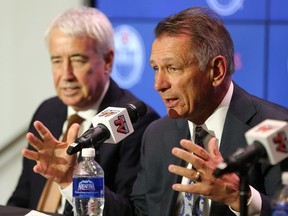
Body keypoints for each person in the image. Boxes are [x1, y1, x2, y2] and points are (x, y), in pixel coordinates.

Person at [20, 6, 288, 216]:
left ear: (215, 71)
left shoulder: (277, 127)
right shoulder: (158, 133)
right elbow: (136, 213)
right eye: (155, 68)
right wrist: (71, 180)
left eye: (173, 68)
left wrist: (239, 196)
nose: (158, 84)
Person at [6, 6, 159, 215]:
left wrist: (72, 181)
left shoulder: (135, 122)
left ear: (107, 61)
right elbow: (22, 198)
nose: (66, 74)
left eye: (78, 60)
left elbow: (131, 211)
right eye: (57, 60)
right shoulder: (47, 111)